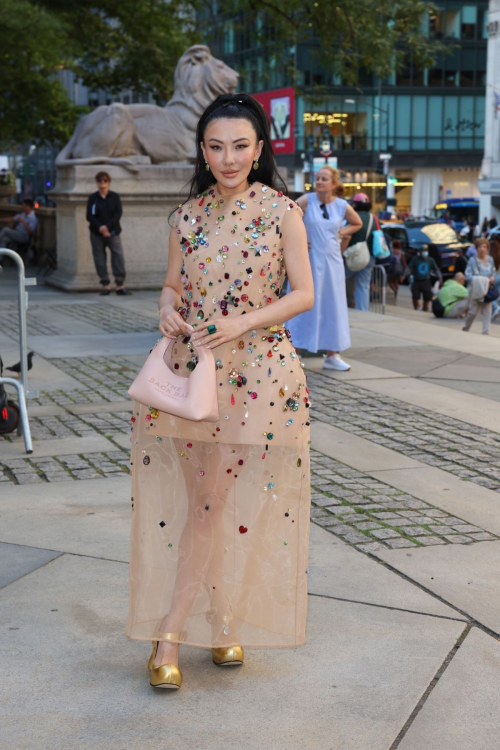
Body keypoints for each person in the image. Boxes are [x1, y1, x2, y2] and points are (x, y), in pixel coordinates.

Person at [128, 93, 314, 690]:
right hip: (191, 376)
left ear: (261, 149)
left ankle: (170, 631)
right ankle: (223, 616)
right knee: (202, 505)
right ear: (203, 151)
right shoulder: (186, 217)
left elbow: (304, 294)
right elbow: (173, 286)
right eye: (216, 146)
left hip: (258, 376)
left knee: (208, 506)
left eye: (240, 146)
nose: (228, 158)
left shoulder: (283, 211)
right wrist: (166, 308)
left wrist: (243, 320)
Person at [286, 167, 362, 371]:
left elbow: (357, 223)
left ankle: (332, 354)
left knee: (332, 306)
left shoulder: (341, 205)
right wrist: (298, 238)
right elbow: (285, 218)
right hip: (308, 260)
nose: (319, 181)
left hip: (332, 263)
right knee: (301, 304)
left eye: (324, 179)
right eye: (317, 178)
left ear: (334, 183)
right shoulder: (306, 200)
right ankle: (293, 353)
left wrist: (343, 231)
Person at [86, 172, 131, 295]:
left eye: (105, 180)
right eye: (100, 180)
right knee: (99, 258)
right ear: (96, 182)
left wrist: (107, 227)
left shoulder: (114, 197)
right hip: (97, 232)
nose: (102, 182)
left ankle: (120, 284)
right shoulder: (93, 198)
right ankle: (105, 284)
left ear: (109, 182)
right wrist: (101, 228)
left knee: (118, 256)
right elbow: (89, 216)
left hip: (113, 232)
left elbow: (118, 214)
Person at [344, 192, 378, 312]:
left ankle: (337, 309)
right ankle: (363, 311)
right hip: (369, 257)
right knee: (363, 286)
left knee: (339, 280)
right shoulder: (373, 217)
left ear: (355, 204)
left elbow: (346, 235)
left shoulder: (353, 217)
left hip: (352, 256)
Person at [463, 238, 496, 335]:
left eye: (484, 247)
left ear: (487, 248)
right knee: (472, 312)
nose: (482, 249)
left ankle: (485, 332)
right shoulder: (472, 260)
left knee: (487, 312)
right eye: (480, 247)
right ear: (476, 249)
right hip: (476, 290)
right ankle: (466, 327)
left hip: (486, 289)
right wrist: (480, 280)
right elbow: (467, 275)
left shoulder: (490, 260)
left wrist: (492, 277)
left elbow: (493, 272)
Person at [407, 245, 442, 311]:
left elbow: (436, 270)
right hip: (417, 280)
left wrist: (440, 279)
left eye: (425, 251)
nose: (424, 252)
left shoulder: (430, 260)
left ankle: (425, 309)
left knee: (427, 298)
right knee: (415, 296)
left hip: (426, 281)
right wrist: (404, 275)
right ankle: (416, 308)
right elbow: (409, 268)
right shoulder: (415, 259)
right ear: (419, 252)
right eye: (422, 251)